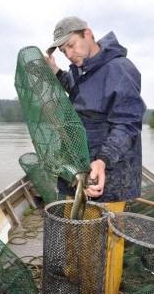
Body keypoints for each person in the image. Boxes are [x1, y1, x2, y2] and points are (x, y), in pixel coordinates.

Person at [45, 16, 146, 293]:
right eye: (63, 50)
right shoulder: (81, 68)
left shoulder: (119, 69)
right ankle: (81, 283)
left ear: (88, 34)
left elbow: (127, 124)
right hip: (77, 170)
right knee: (75, 236)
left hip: (108, 175)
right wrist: (57, 73)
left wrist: (102, 161)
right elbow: (84, 98)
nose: (69, 53)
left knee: (104, 246)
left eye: (72, 45)